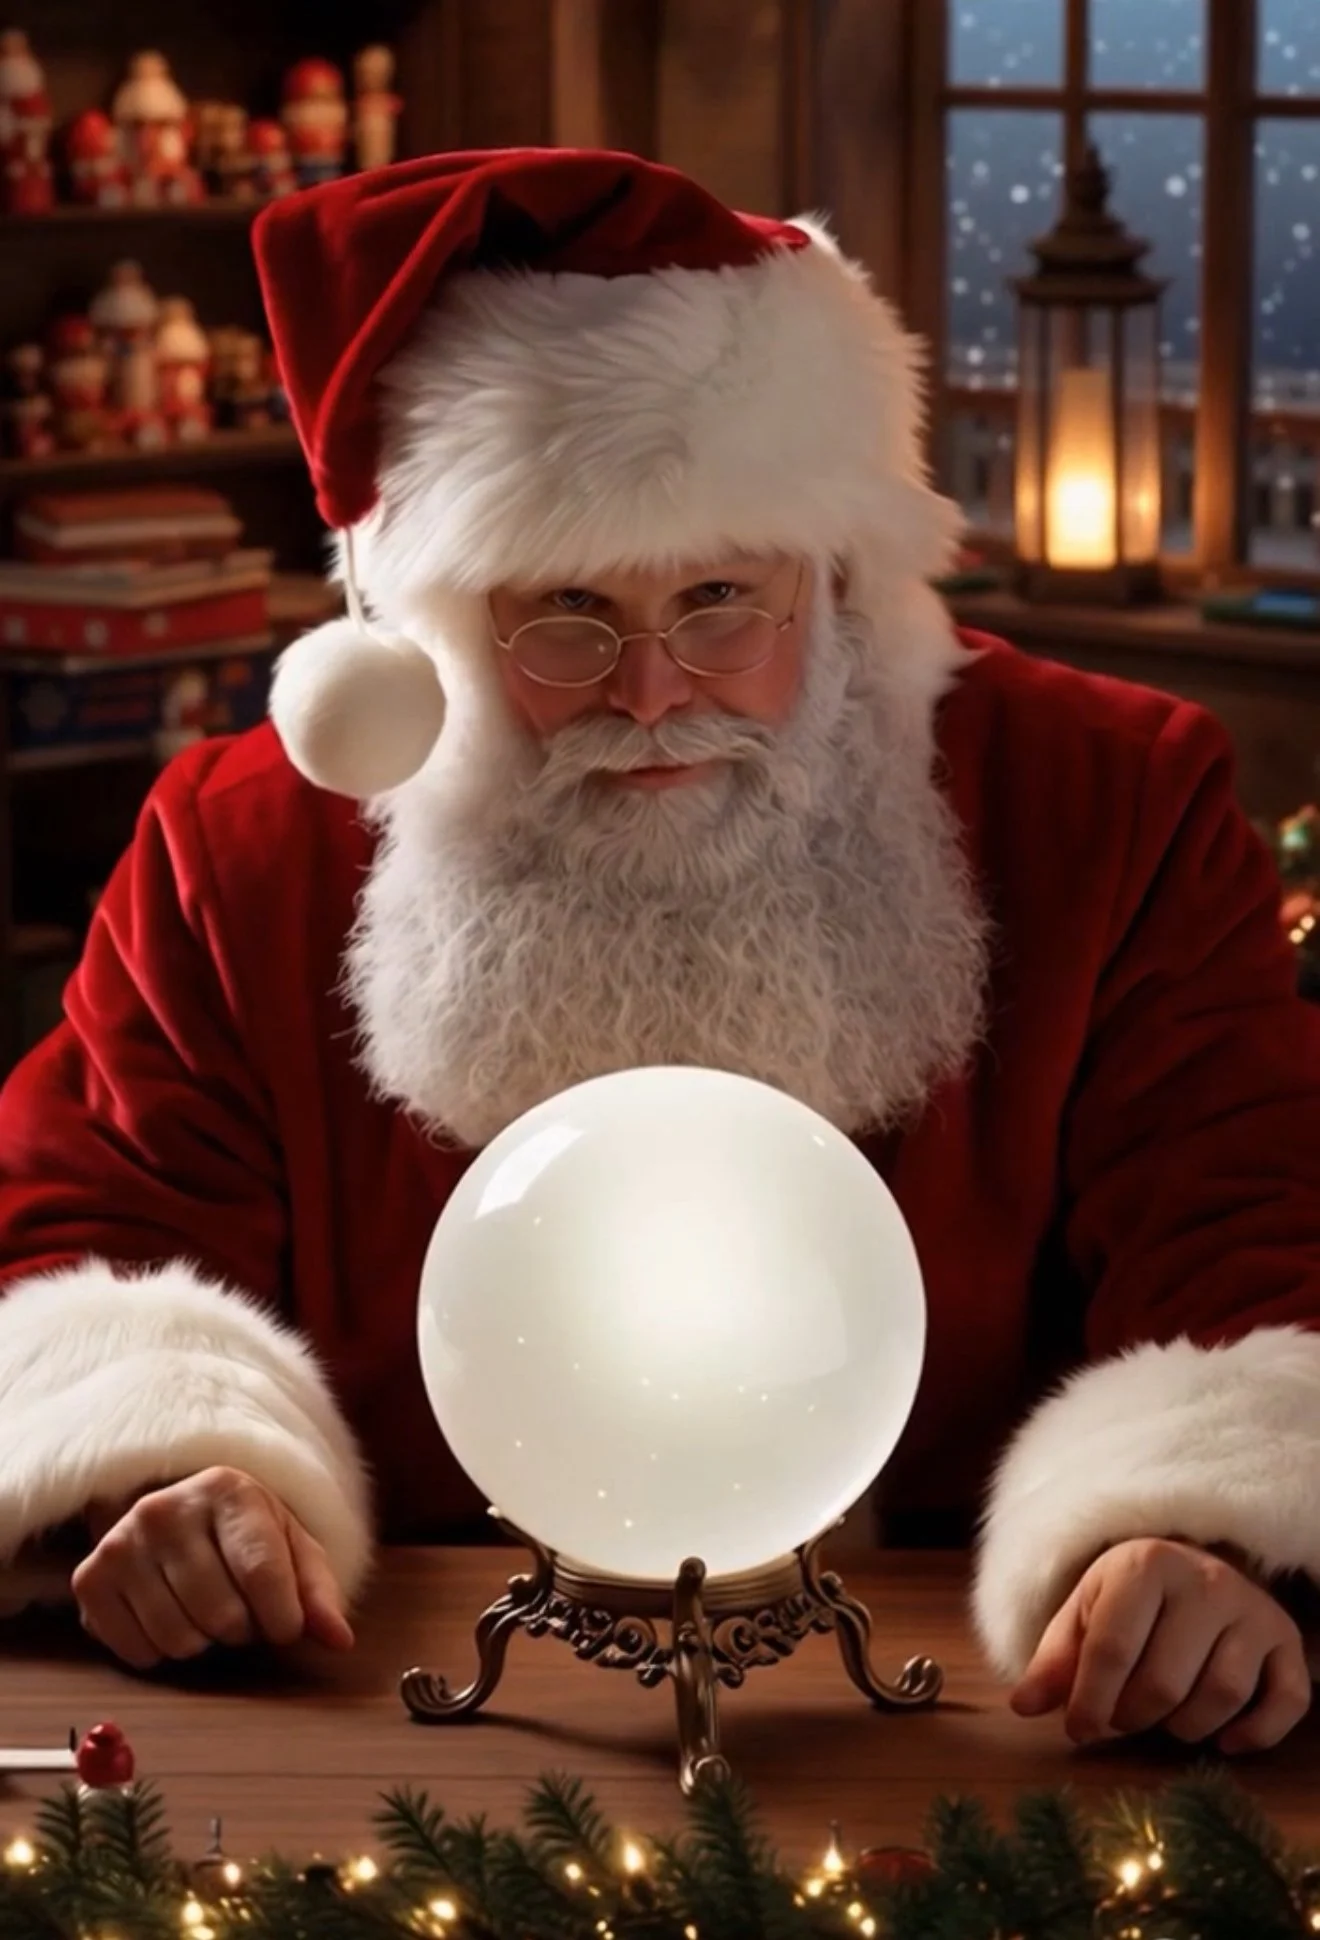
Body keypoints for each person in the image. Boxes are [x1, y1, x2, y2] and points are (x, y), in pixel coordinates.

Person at [1, 148, 1318, 1760]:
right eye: (561, 612)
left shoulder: (1105, 802)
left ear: (836, 583)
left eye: (717, 599)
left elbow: (1249, 1223)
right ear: (432, 624)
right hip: (405, 1720)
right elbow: (91, 1230)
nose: (647, 692)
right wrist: (157, 1472)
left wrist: (1209, 1528)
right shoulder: (242, 847)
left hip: (959, 1729)